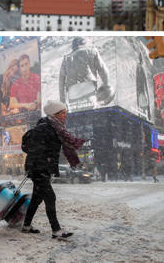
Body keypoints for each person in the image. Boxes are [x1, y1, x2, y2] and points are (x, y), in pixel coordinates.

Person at [21, 100, 85, 240]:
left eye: (65, 113)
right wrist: (35, 166)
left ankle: (26, 226)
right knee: (50, 197)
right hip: (39, 168)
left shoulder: (54, 128)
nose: (65, 116)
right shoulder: (44, 128)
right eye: (63, 113)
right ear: (55, 114)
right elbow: (34, 150)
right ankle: (56, 230)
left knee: (37, 198)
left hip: (43, 167)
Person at [59, 37, 114, 111]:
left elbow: (61, 81)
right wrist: (106, 84)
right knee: (92, 114)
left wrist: (63, 101)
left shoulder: (66, 58)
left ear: (73, 46)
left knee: (78, 116)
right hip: (88, 87)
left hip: (73, 93)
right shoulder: (92, 51)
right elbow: (103, 70)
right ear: (85, 42)